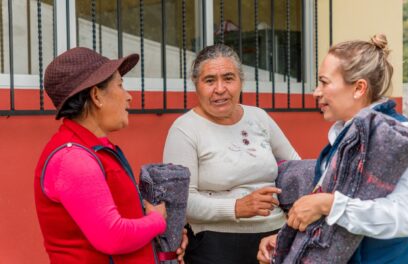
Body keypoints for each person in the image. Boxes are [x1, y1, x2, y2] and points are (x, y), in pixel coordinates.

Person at [257, 34, 408, 264]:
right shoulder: (342, 136)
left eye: (324, 82)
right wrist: (283, 240)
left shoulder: (404, 136)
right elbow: (326, 214)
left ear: (359, 88)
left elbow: (403, 218)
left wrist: (328, 204)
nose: (316, 92)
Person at [34, 47, 187, 263]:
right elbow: (113, 237)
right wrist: (157, 220)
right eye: (120, 85)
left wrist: (164, 243)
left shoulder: (93, 148)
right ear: (96, 95)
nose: (129, 97)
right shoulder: (73, 159)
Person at [163, 44, 300, 264]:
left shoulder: (259, 118)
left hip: (276, 238)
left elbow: (298, 168)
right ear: (196, 85)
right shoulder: (185, 130)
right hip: (216, 244)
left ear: (241, 81)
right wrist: (237, 207)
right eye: (209, 81)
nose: (220, 89)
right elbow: (181, 202)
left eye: (228, 78)